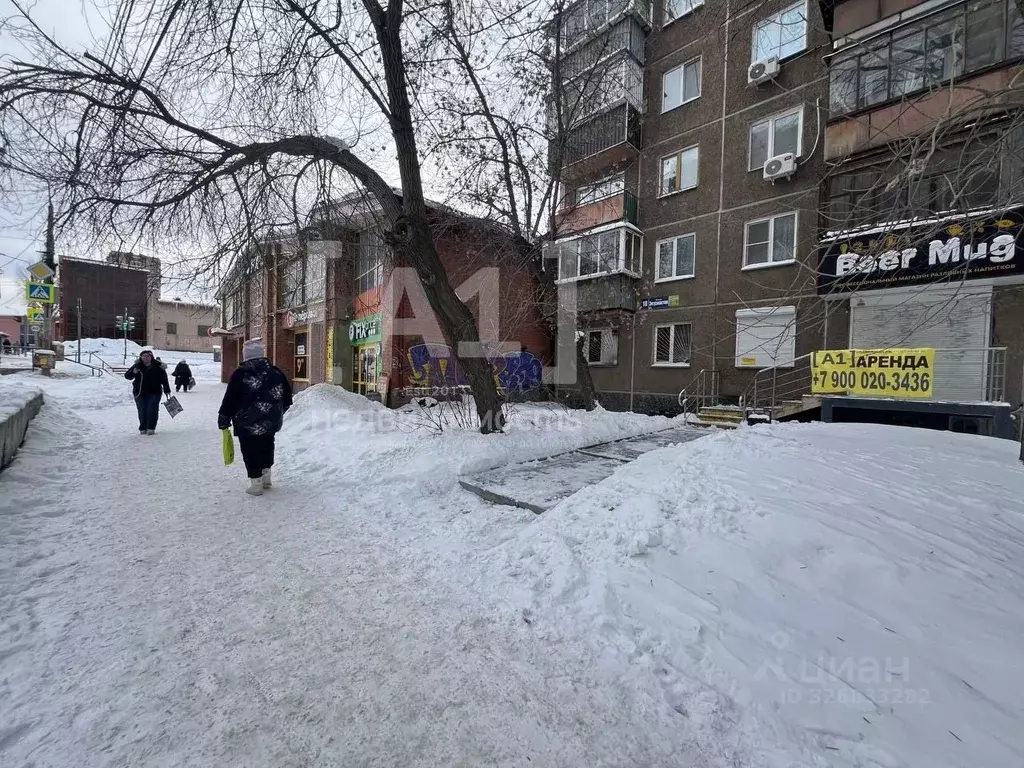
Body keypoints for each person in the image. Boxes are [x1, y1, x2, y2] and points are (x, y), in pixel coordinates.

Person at [218, 339, 292, 496]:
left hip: (247, 422)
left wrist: (224, 418)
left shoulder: (240, 374)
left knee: (250, 448)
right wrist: (277, 412)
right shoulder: (276, 372)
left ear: (246, 356)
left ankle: (256, 482)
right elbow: (287, 397)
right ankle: (266, 477)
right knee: (267, 444)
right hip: (271, 420)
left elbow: (231, 399)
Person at [125, 348, 171, 435]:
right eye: (144, 356)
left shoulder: (158, 366)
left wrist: (167, 390)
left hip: (155, 392)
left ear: (151, 357)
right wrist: (134, 372)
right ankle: (143, 427)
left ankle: (151, 427)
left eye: (148, 356)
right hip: (139, 392)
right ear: (141, 357)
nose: (146, 358)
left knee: (152, 409)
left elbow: (164, 379)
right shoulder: (137, 366)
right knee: (142, 409)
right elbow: (127, 376)